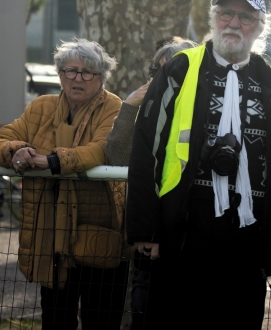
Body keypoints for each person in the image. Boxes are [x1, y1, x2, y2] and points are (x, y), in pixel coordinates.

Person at [125, 0, 271, 330]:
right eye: (226, 13)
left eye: (246, 17)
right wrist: (145, 229)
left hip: (248, 239)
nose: (234, 24)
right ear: (213, 18)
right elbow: (146, 148)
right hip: (183, 232)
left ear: (260, 27)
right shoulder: (179, 69)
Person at [0, 38, 130, 330]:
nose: (77, 78)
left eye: (87, 72)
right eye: (70, 70)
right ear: (60, 73)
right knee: (55, 319)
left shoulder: (113, 107)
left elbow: (99, 150)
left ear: (101, 77)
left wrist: (50, 162)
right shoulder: (41, 107)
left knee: (100, 320)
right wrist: (17, 150)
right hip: (51, 239)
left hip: (99, 238)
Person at [105, 38, 197, 330]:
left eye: (173, 72)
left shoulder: (206, 110)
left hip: (192, 241)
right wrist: (131, 105)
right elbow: (117, 156)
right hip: (150, 241)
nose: (165, 80)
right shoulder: (144, 106)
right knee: (144, 314)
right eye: (157, 72)